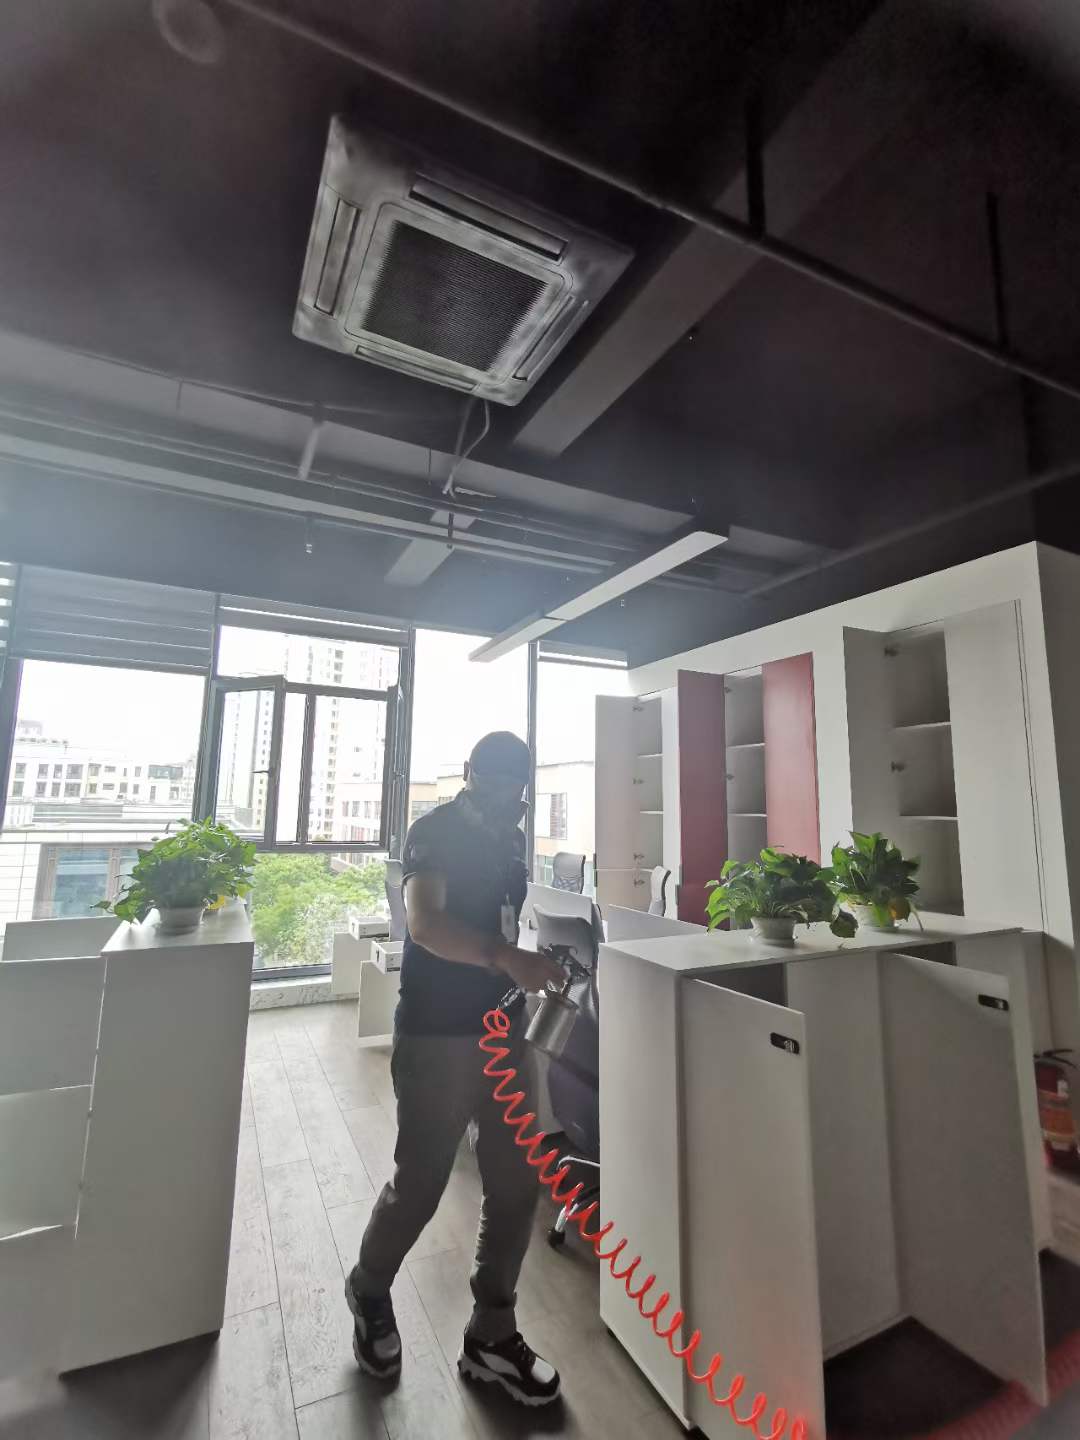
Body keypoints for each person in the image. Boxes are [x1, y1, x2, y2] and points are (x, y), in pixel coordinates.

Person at [345, 731, 567, 1405]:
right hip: (437, 1033)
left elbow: (504, 919)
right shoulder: (434, 831)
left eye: (517, 785)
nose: (507, 796)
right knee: (421, 1183)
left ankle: (492, 1332)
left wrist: (527, 966)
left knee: (517, 1184)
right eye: (495, 781)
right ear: (470, 773)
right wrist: (507, 957)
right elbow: (425, 924)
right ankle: (369, 1289)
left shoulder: (511, 841)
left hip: (503, 1032)